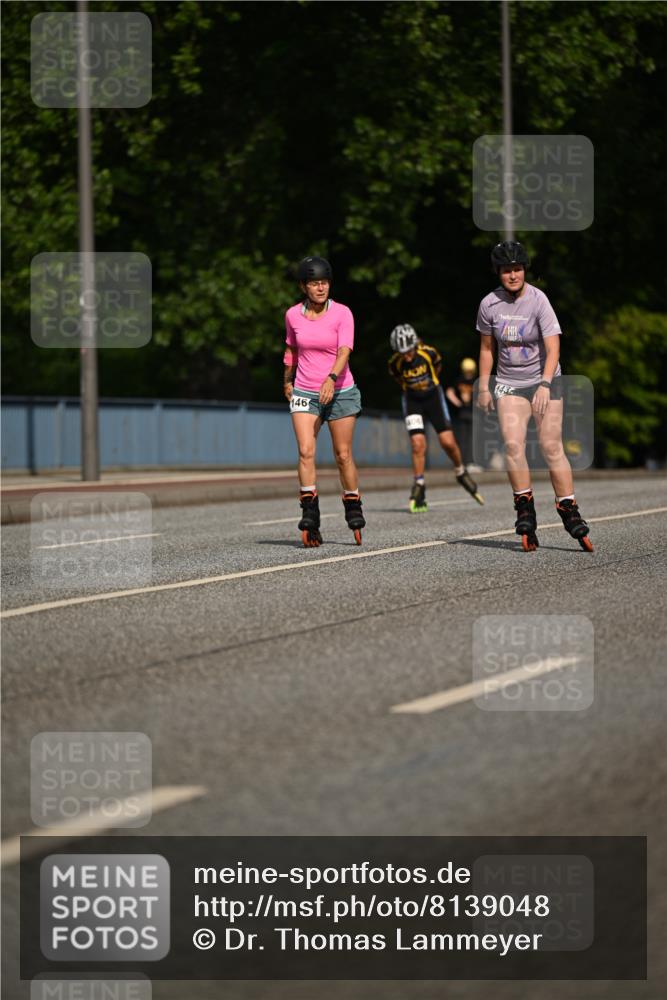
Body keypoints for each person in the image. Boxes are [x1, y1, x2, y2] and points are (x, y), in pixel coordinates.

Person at [475, 241, 593, 552]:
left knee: (550, 444)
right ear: (498, 273)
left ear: (525, 270)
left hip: (545, 380)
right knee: (513, 444)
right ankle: (525, 509)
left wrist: (543, 384)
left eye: (517, 269)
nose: (512, 275)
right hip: (510, 383)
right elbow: (487, 349)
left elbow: (553, 348)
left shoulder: (539, 300)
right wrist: (485, 386)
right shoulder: (489, 304)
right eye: (506, 270)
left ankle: (568, 507)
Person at [283, 256, 365, 546]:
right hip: (305, 391)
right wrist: (287, 379)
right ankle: (310, 514)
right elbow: (292, 348)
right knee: (306, 451)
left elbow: (344, 351)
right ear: (303, 286)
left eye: (324, 282)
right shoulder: (293, 315)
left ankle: (352, 503)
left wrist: (331, 378)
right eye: (314, 283)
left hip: (340, 389)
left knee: (342, 454)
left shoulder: (343, 313)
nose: (320, 288)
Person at [388, 324, 484, 512]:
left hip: (433, 397)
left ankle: (460, 471)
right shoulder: (395, 363)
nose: (406, 356)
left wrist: (426, 385)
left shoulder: (429, 353)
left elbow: (438, 368)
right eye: (402, 352)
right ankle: (419, 484)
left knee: (447, 442)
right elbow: (398, 379)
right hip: (412, 399)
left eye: (409, 351)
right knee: (417, 444)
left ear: (415, 345)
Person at [445, 357, 479, 470]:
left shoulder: (460, 380)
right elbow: (449, 392)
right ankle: (465, 463)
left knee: (468, 439)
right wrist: (458, 403)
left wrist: (458, 403)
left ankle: (465, 463)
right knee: (465, 439)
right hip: (465, 413)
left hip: (468, 413)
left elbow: (449, 392)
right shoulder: (474, 380)